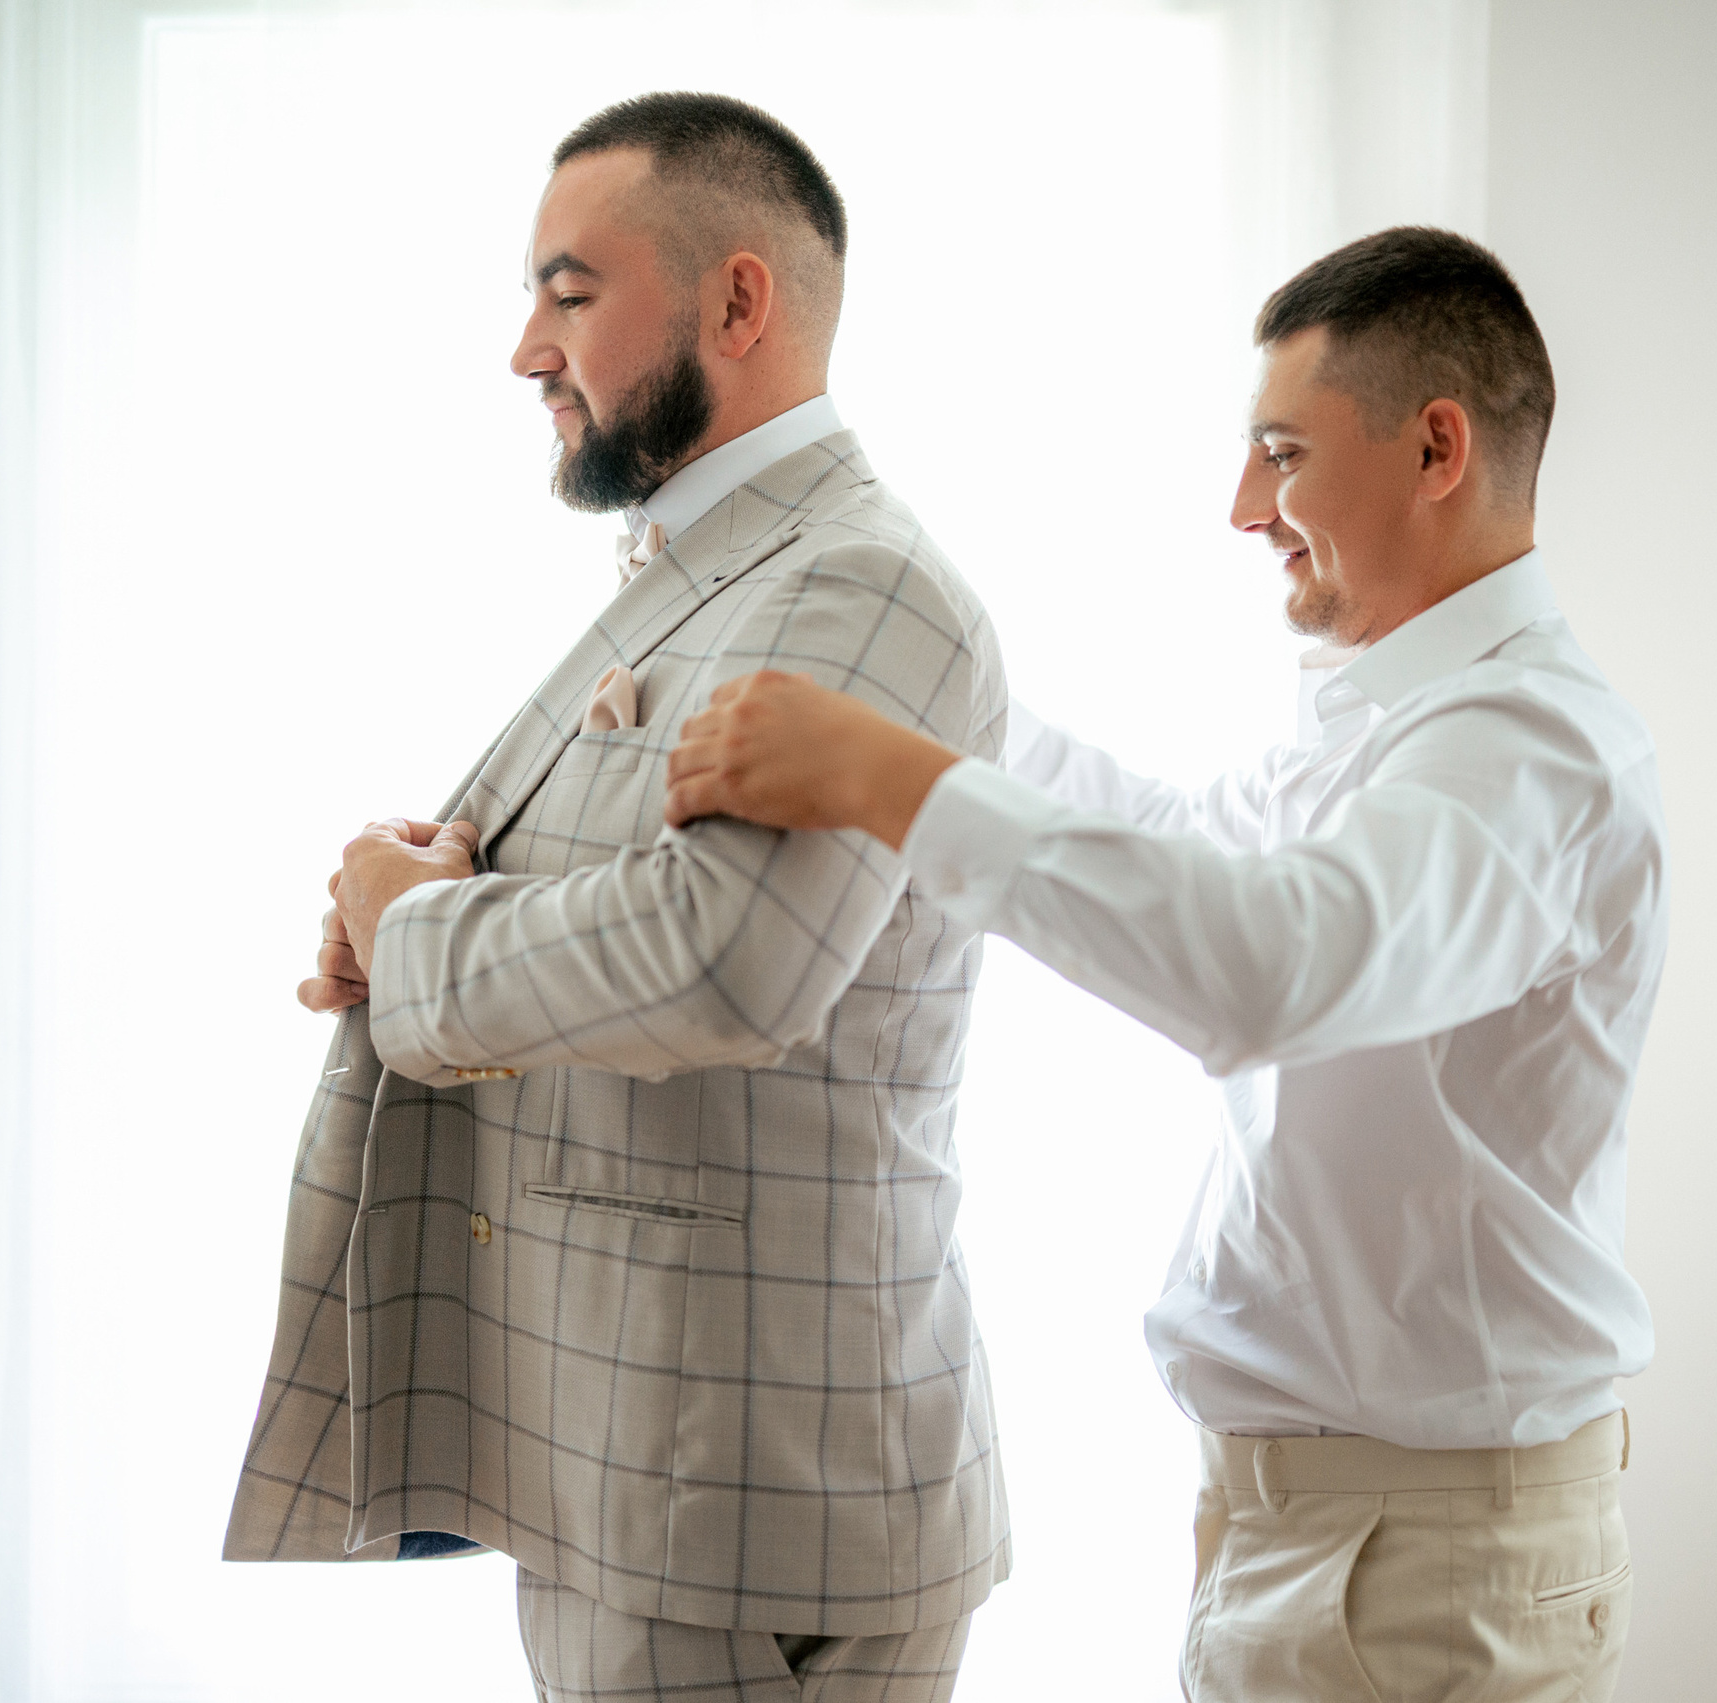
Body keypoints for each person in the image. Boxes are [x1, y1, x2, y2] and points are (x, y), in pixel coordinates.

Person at [663, 227, 1664, 1703]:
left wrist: (894, 781)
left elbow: (1267, 966)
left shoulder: (1523, 751)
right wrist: (924, 710)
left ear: (1437, 448)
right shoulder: (1403, 727)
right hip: (1328, 1530)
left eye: (1283, 453)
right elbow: (1183, 842)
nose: (1245, 506)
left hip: (1425, 1564)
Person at [225, 93, 1009, 1703]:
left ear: (737, 301)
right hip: (638, 1468)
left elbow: (726, 961)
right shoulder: (709, 574)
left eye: (568, 294)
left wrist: (417, 926)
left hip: (750, 1505)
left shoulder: (855, 584)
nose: (526, 350)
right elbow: (630, 896)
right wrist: (429, 889)